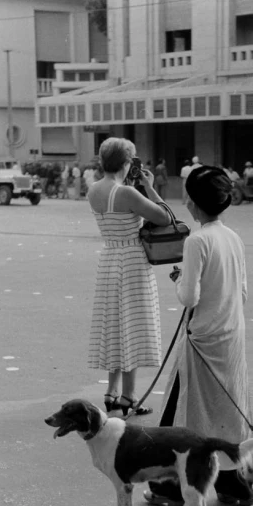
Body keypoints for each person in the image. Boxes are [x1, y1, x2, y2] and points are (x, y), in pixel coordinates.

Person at [144, 165, 253, 506]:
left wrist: (179, 280)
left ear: (192, 202)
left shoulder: (197, 240)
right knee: (227, 411)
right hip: (231, 336)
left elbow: (189, 298)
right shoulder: (232, 237)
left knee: (181, 414)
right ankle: (236, 485)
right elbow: (242, 291)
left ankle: (168, 487)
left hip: (201, 339)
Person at [87, 137, 171, 416]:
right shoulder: (127, 193)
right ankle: (128, 397)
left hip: (109, 258)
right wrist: (149, 187)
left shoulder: (94, 190)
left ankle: (110, 392)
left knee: (114, 324)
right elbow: (164, 218)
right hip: (132, 261)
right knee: (132, 327)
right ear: (127, 162)